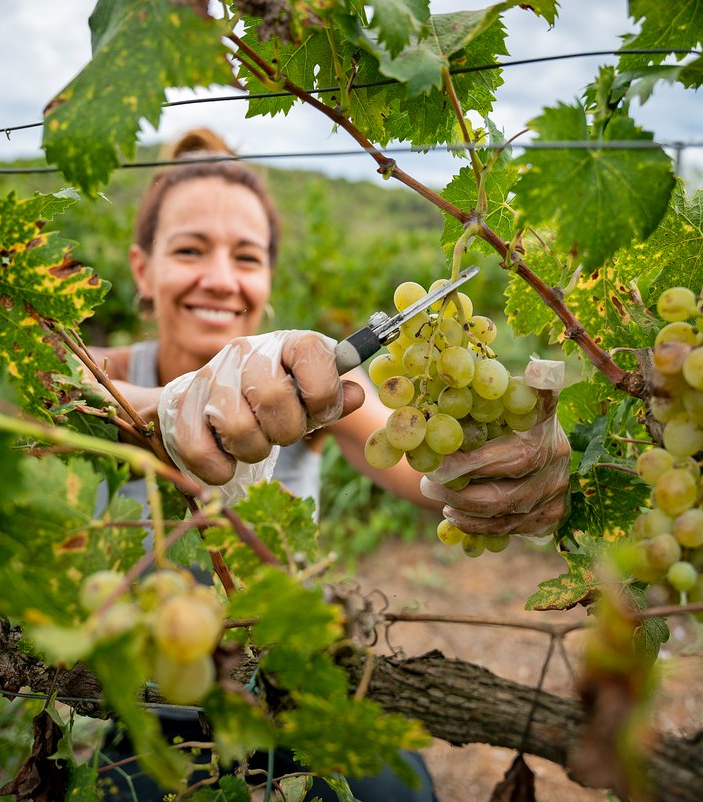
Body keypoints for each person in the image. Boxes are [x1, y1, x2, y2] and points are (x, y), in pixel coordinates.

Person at [87, 129, 571, 800]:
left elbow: (433, 482)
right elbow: (60, 392)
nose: (221, 278)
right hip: (140, 703)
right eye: (190, 250)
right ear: (143, 268)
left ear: (269, 276)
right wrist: (165, 405)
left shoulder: (311, 392)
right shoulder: (103, 372)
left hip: (285, 683)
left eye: (247, 256)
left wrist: (508, 469)